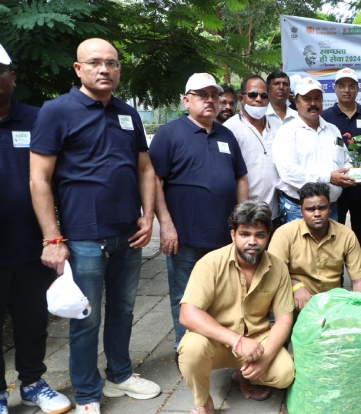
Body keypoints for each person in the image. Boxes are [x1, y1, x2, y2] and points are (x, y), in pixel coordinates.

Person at [29, 38, 160, 413]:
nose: (105, 69)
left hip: (129, 235)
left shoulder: (127, 113)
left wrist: (147, 215)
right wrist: (51, 237)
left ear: (119, 69)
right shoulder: (56, 112)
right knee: (84, 317)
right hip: (83, 236)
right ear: (78, 69)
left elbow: (146, 168)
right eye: (96, 63)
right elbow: (39, 179)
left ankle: (119, 375)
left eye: (112, 63)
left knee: (123, 310)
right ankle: (87, 393)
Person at [150, 72, 248, 351]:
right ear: (186, 100)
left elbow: (240, 177)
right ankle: (186, 348)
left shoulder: (226, 135)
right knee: (185, 296)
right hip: (185, 235)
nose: (210, 100)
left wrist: (241, 221)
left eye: (214, 95)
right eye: (202, 95)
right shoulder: (169, 134)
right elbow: (154, 179)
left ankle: (221, 346)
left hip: (223, 235)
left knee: (225, 294)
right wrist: (165, 224)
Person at [0, 43, 71, 414]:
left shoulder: (36, 118)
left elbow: (58, 178)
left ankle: (31, 383)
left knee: (32, 320)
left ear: (13, 77)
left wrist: (56, 236)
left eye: (0, 71)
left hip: (31, 245)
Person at [178, 201, 295, 414]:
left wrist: (266, 358)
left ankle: (244, 374)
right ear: (233, 235)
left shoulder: (278, 268)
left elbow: (284, 319)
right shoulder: (210, 263)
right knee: (191, 351)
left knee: (285, 374)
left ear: (268, 236)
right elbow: (187, 314)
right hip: (216, 341)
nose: (252, 241)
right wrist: (236, 340)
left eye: (259, 235)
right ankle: (205, 404)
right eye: (245, 234)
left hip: (257, 342)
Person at [321, 68, 361, 291]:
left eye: (351, 86)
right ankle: (335, 284)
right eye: (342, 86)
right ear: (334, 89)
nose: (347, 90)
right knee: (333, 238)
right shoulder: (325, 117)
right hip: (335, 189)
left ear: (358, 89)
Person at [268, 182, 361, 310]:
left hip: (332, 308)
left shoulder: (346, 235)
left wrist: (359, 314)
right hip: (296, 305)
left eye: (322, 208)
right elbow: (273, 275)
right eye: (310, 209)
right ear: (301, 211)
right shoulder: (285, 234)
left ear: (330, 208)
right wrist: (295, 285)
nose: (317, 213)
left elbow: (358, 281)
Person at [273, 77, 353, 224]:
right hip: (298, 210)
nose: (313, 103)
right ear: (296, 102)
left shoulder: (333, 129)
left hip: (330, 208)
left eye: (317, 98)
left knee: (329, 247)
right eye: (306, 99)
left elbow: (345, 160)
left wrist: (352, 173)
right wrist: (328, 177)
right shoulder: (286, 132)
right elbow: (289, 173)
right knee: (300, 248)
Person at [224, 75, 281, 227]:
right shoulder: (230, 129)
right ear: (241, 98)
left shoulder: (277, 125)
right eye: (252, 94)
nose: (258, 99)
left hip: (275, 211)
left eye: (264, 96)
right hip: (245, 214)